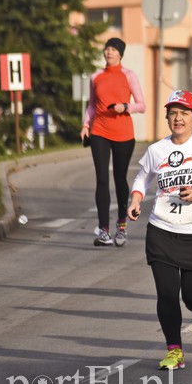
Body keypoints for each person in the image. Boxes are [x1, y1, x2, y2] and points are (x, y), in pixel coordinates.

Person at [127, 90, 192, 370]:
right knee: (166, 294)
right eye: (173, 113)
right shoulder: (157, 150)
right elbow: (143, 177)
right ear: (167, 117)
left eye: (184, 113)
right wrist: (137, 199)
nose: (178, 118)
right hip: (161, 231)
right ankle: (174, 349)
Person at [80, 37, 146, 247]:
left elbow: (142, 105)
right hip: (99, 130)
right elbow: (92, 105)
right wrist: (85, 126)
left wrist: (125, 107)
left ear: (120, 54)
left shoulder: (129, 75)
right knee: (101, 178)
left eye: (113, 49)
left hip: (123, 133)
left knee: (119, 178)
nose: (109, 52)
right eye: (107, 49)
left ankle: (121, 225)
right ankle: (104, 231)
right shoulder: (96, 76)